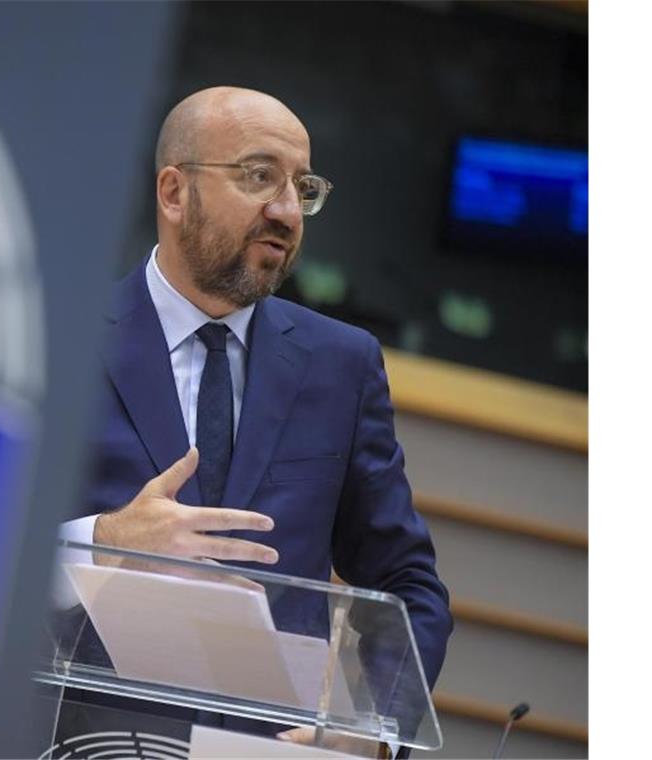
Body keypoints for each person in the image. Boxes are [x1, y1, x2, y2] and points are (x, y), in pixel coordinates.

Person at [60, 86, 453, 757]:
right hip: (71, 733)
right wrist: (104, 538)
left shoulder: (341, 365)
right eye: (258, 176)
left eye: (303, 187)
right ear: (175, 191)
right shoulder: (62, 330)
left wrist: (373, 727)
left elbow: (409, 588)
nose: (286, 211)